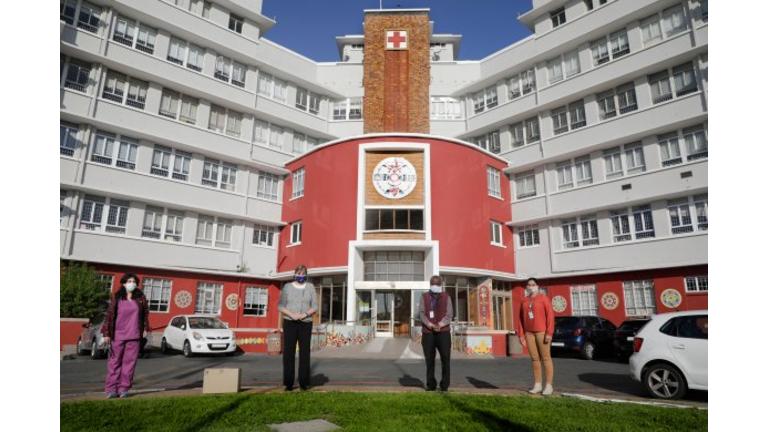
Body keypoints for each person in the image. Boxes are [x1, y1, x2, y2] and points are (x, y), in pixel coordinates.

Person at [102, 273, 150, 398]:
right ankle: (111, 389)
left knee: (129, 364)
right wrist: (106, 333)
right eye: (129, 281)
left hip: (134, 336)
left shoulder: (140, 298)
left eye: (134, 281)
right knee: (114, 363)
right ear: (123, 283)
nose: (131, 283)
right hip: (117, 335)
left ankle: (124, 389)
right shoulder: (117, 298)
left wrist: (145, 328)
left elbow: (145, 315)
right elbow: (109, 316)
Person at [278, 264, 318, 391]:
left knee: (304, 353)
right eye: (299, 273)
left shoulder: (310, 287)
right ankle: (288, 383)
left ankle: (304, 383)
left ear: (306, 275)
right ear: (295, 274)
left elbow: (315, 306)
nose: (301, 276)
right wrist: (292, 315)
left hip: (306, 323)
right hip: (290, 322)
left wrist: (304, 314)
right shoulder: (287, 287)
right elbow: (281, 306)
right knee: (288, 353)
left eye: (303, 274)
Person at [516, 277, 555, 396]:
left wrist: (549, 333)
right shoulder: (524, 300)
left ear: (537, 286)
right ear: (526, 287)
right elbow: (520, 319)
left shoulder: (543, 298)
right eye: (529, 285)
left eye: (533, 284)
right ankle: (537, 384)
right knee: (534, 359)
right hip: (529, 333)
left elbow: (550, 316)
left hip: (541, 332)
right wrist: (521, 335)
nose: (531, 286)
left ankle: (548, 385)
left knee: (546, 358)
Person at [419, 275, 453, 391]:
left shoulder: (446, 296)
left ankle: (444, 385)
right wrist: (430, 325)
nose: (435, 286)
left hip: (443, 333)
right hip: (428, 333)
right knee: (429, 360)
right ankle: (431, 384)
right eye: (433, 284)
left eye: (437, 284)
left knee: (445, 359)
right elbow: (422, 314)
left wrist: (440, 325)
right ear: (430, 284)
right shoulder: (424, 296)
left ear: (441, 285)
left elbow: (449, 314)